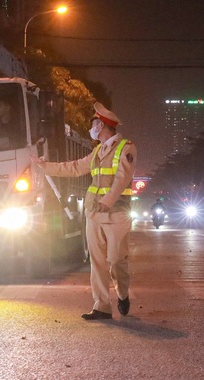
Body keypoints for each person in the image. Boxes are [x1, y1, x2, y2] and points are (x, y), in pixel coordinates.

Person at [32, 102, 137, 320]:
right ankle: (101, 306)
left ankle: (123, 294)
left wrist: (108, 201)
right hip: (93, 212)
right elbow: (75, 167)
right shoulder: (97, 151)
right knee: (97, 261)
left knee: (116, 259)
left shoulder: (126, 148)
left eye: (94, 124)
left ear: (101, 125)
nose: (92, 129)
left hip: (117, 213)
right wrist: (46, 166)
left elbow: (122, 178)